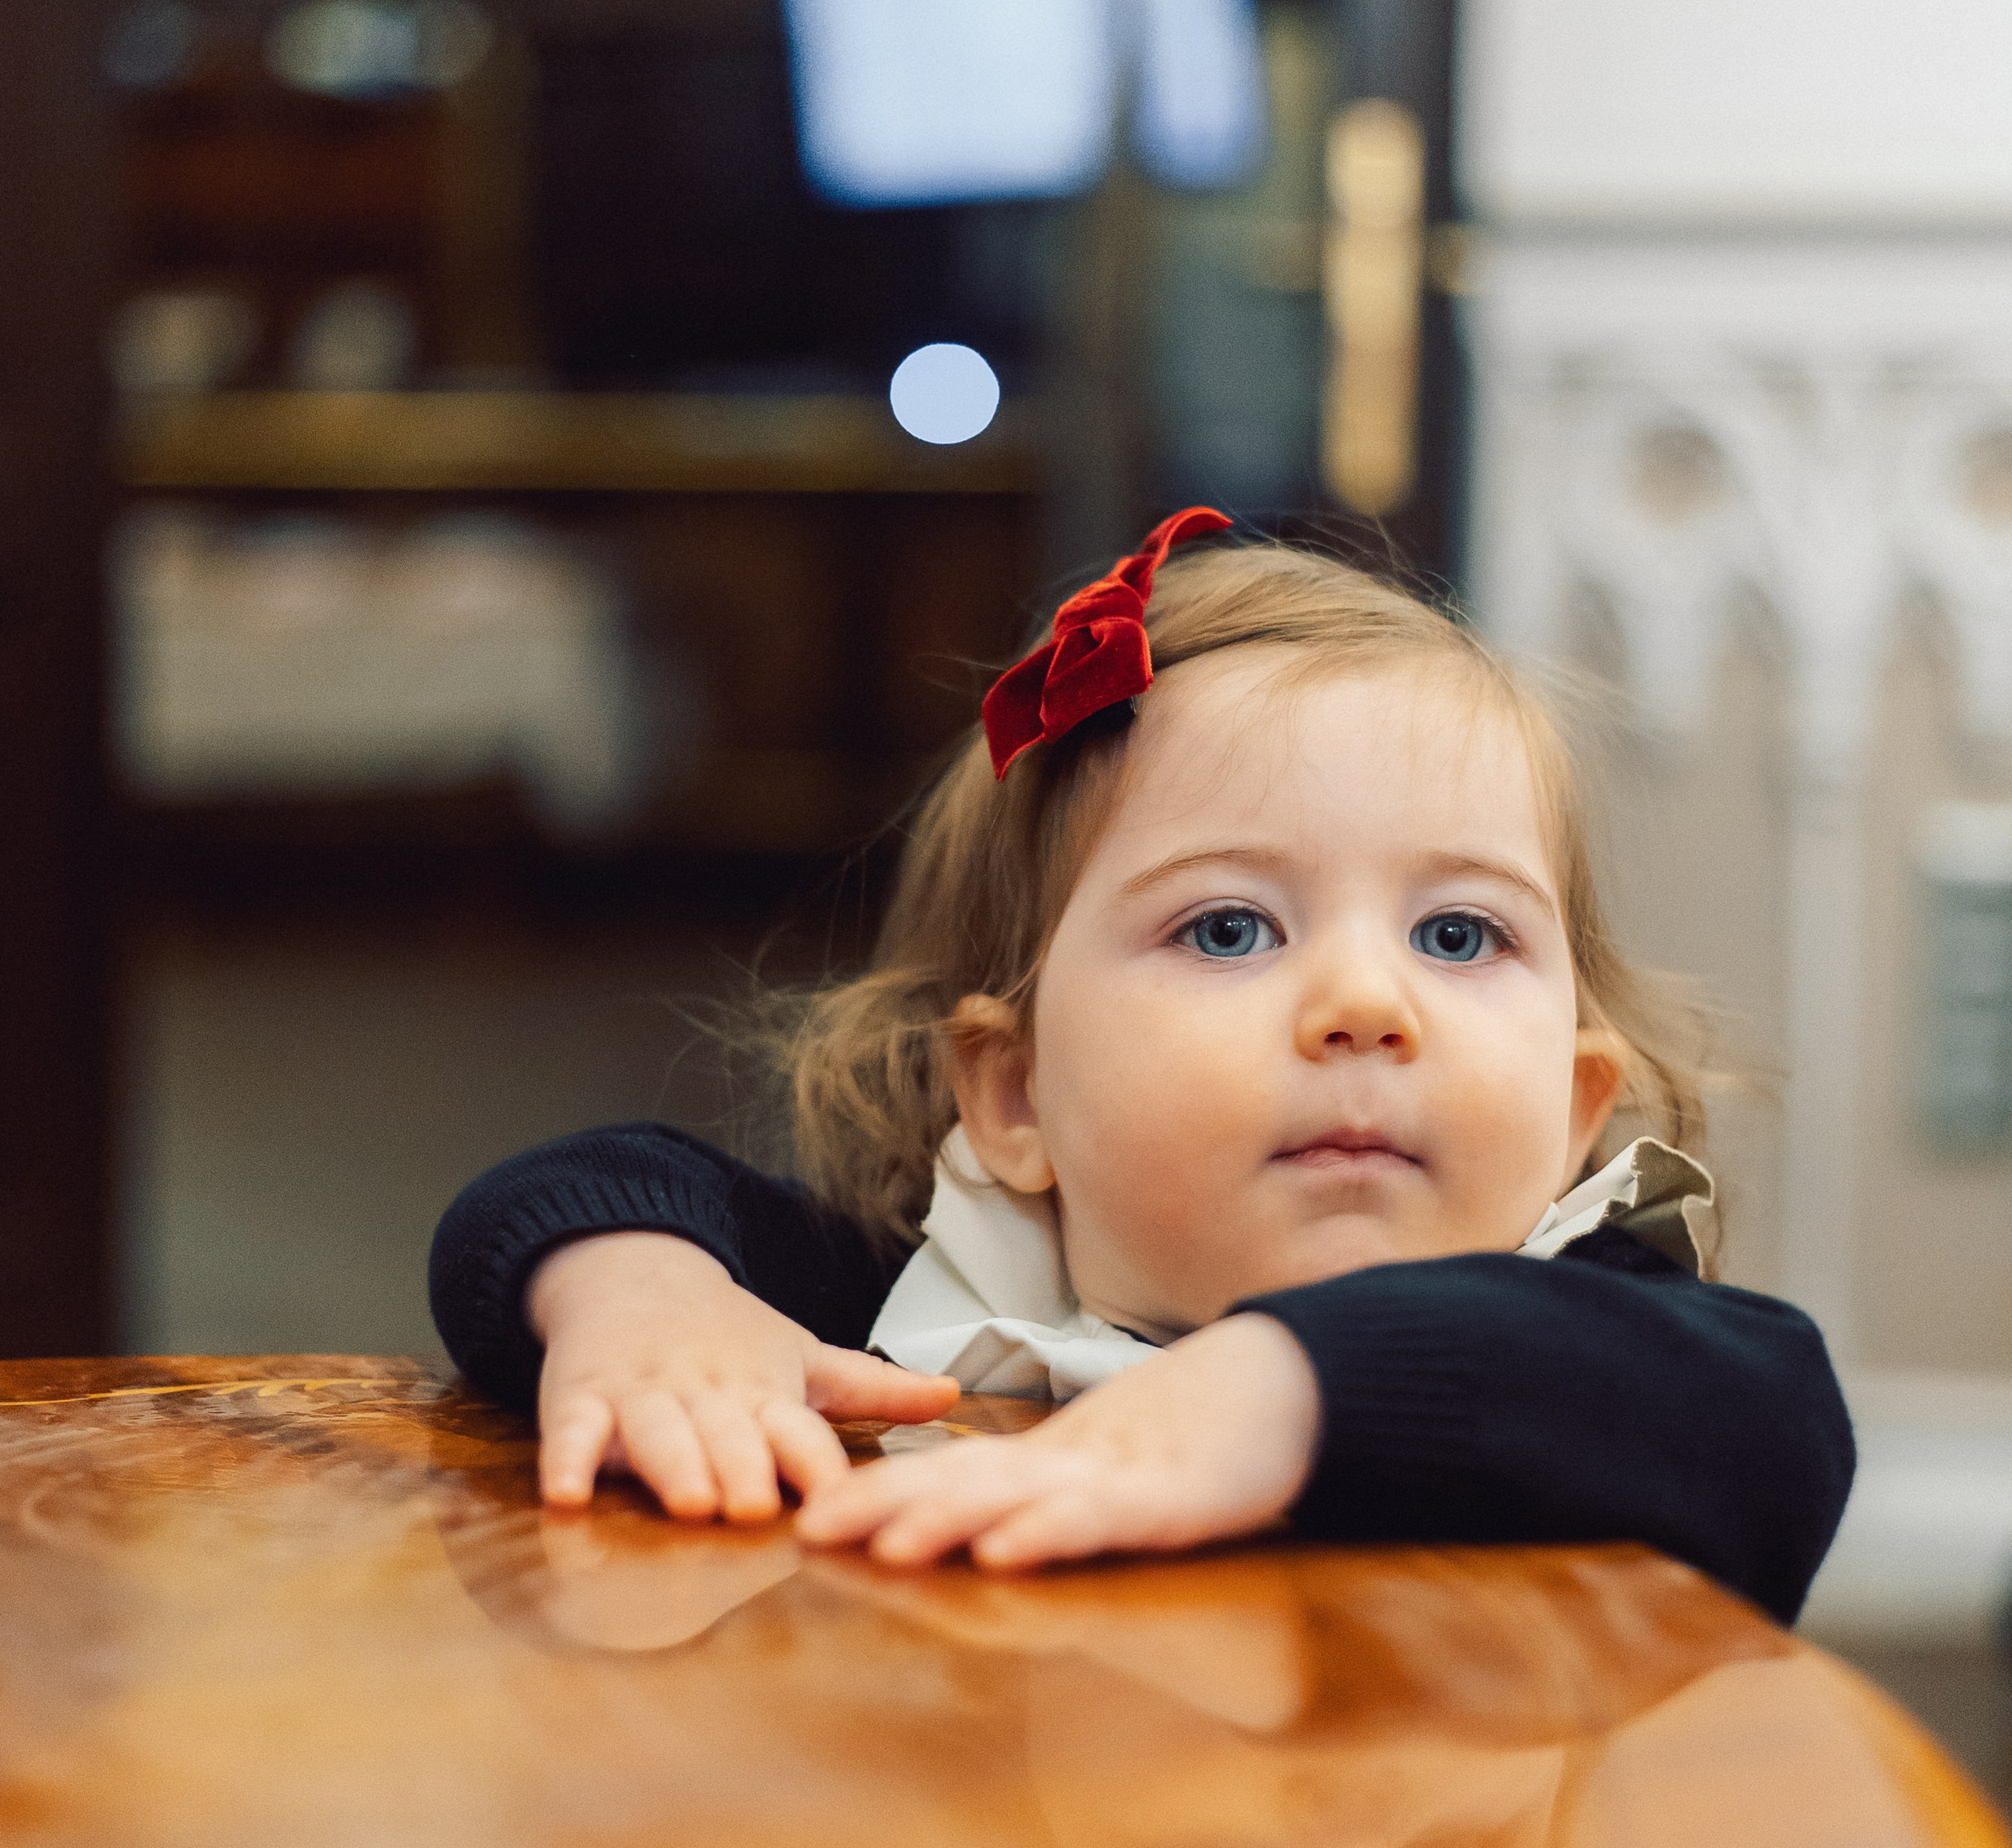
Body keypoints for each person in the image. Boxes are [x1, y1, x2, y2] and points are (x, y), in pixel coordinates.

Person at [430, 513, 1854, 1620]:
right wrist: (642, 1295)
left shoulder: (1620, 1349)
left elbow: (1777, 1421)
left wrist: (1284, 1389)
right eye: (1230, 928)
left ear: (1577, 1109)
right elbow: (578, 1191)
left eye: (1459, 934)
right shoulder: (937, 1326)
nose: (1368, 1004)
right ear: (1016, 1097)